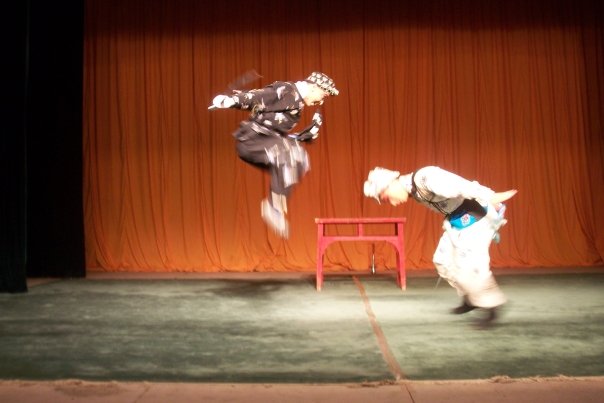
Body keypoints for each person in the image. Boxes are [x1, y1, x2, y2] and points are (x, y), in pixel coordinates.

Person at [363, 166, 517, 328]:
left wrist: (493, 197)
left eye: (387, 198)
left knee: (470, 267)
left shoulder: (426, 178)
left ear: (390, 184)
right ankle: (472, 297)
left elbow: (461, 186)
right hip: (458, 221)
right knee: (442, 260)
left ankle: (492, 305)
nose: (393, 204)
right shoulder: (413, 189)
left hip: (477, 218)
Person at [208, 72, 339, 238]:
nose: (320, 101)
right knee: (291, 154)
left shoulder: (297, 103)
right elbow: (260, 97)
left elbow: (276, 132)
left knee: (301, 158)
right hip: (252, 141)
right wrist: (232, 101)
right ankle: (273, 207)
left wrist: (301, 136)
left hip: (265, 143)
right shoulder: (287, 90)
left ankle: (275, 206)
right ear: (314, 87)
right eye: (323, 95)